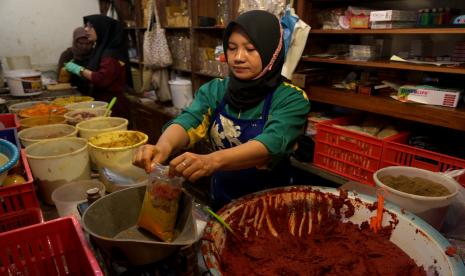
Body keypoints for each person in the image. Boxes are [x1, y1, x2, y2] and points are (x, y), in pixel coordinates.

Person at [133, 10, 310, 209]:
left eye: (250, 49)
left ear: (272, 52)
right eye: (232, 48)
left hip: (272, 201)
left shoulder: (291, 98)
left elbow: (273, 143)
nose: (238, 57)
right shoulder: (215, 90)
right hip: (223, 196)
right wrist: (162, 147)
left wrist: (211, 161)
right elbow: (189, 120)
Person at [64, 15, 132, 119]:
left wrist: (78, 69)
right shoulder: (101, 49)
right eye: (86, 26)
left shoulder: (111, 55)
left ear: (103, 29)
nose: (86, 29)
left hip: (112, 105)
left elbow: (102, 79)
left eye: (91, 26)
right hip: (102, 102)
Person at [57, 27, 93, 93]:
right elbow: (61, 78)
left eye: (88, 44)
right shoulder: (67, 54)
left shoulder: (96, 54)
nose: (84, 47)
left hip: (92, 92)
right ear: (75, 42)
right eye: (81, 43)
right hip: (72, 92)